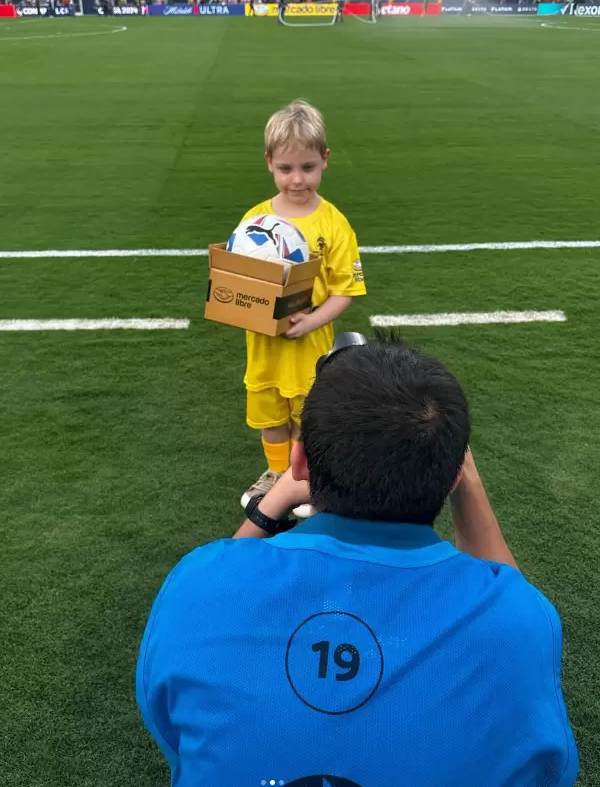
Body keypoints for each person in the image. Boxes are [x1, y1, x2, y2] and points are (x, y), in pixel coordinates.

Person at [136, 332, 578, 786]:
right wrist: (464, 481)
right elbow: (547, 769)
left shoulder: (196, 584)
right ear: (452, 481)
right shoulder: (518, 621)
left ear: (300, 463)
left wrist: (273, 502)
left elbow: (173, 731)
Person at [239, 100, 366, 511]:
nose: (297, 180)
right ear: (269, 163)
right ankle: (276, 475)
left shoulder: (334, 223)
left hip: (309, 348)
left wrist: (311, 322)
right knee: (271, 418)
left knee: (305, 418)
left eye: (307, 167)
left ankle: (302, 481)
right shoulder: (254, 221)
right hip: (263, 347)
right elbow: (239, 281)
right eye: (286, 169)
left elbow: (345, 290)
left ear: (325, 161)